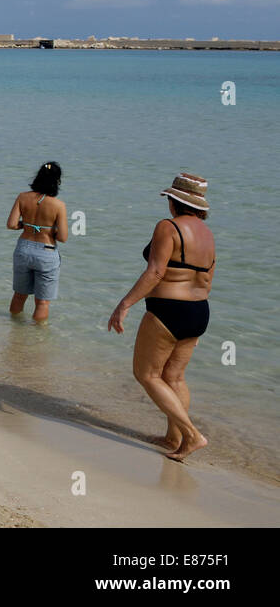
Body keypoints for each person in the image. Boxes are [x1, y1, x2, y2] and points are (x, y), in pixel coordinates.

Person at [107, 174, 215, 461]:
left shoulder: (168, 227)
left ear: (174, 201)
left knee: (147, 374)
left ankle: (192, 435)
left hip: (168, 310)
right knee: (174, 377)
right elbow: (207, 279)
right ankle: (173, 438)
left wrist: (124, 304)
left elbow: (155, 272)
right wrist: (194, 325)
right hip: (198, 311)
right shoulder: (207, 234)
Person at [7, 162, 68, 323]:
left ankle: (14, 329)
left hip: (23, 249)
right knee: (42, 302)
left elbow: (11, 224)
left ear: (38, 176)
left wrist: (25, 225)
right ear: (57, 181)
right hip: (46, 252)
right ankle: (38, 340)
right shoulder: (59, 205)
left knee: (19, 296)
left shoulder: (22, 197)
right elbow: (62, 237)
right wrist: (49, 230)